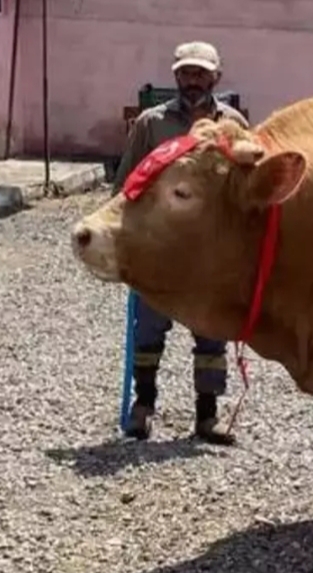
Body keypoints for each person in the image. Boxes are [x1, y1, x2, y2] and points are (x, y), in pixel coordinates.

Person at [112, 41, 249, 445]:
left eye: (200, 73)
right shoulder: (151, 125)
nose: (192, 80)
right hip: (160, 247)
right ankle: (143, 407)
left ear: (216, 77)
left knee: (211, 332)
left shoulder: (234, 124)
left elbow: (245, 187)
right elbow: (126, 185)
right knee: (149, 330)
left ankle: (207, 418)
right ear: (175, 76)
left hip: (210, 251)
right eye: (186, 73)